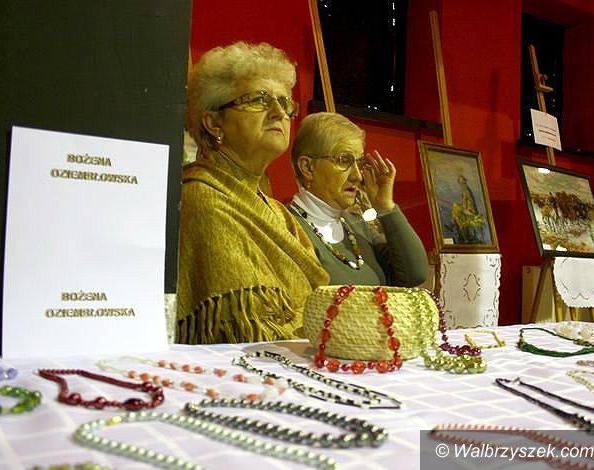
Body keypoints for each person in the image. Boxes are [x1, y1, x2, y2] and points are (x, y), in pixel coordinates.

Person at [177, 42, 328, 344]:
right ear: (214, 122)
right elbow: (250, 329)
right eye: (259, 99)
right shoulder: (204, 200)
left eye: (285, 102)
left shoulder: (281, 214)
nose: (279, 113)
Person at [289, 112, 428, 286]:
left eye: (358, 162)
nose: (357, 176)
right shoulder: (287, 228)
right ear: (308, 167)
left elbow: (415, 274)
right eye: (344, 160)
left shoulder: (357, 225)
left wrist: (385, 206)